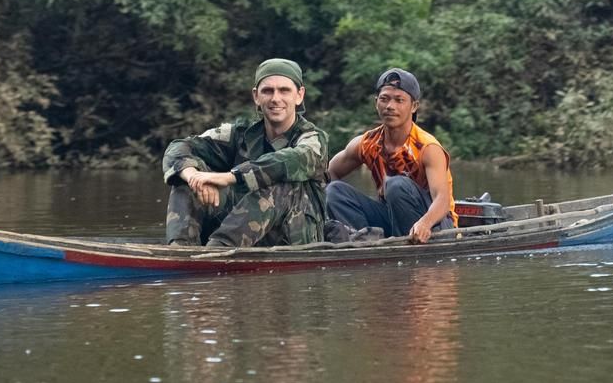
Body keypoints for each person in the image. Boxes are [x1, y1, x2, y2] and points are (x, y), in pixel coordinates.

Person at [162, 58, 328, 248]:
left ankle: (218, 249)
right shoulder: (239, 134)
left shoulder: (313, 139)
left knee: (278, 183)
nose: (275, 98)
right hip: (247, 231)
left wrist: (231, 177)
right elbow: (178, 147)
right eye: (267, 91)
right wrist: (194, 176)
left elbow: (289, 160)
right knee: (187, 180)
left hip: (295, 234)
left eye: (284, 90)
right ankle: (180, 251)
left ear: (299, 95)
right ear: (256, 96)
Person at [326, 68, 457, 243]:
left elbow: (442, 200)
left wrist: (424, 223)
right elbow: (330, 173)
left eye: (399, 100)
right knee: (334, 191)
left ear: (414, 106)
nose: (390, 106)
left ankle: (410, 243)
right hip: (392, 218)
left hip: (436, 225)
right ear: (376, 102)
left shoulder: (427, 147)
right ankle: (362, 242)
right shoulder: (366, 143)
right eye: (384, 99)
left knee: (396, 185)